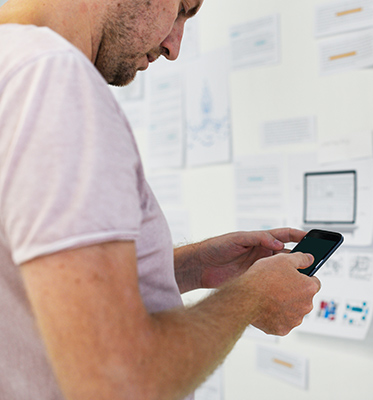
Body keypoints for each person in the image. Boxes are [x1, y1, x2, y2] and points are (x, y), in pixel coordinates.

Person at [0, 0, 321, 399]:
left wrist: (191, 267)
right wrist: (250, 298)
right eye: (183, 8)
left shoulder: (12, 63)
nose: (174, 46)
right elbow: (119, 382)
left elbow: (26, 285)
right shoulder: (54, 78)